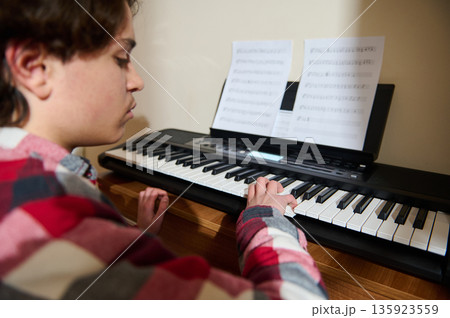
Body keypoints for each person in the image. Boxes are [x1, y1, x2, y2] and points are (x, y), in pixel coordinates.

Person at [0, 0, 328, 300]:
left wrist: (134, 236)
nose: (137, 81)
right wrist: (265, 216)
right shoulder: (50, 216)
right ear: (34, 67)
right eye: (121, 58)